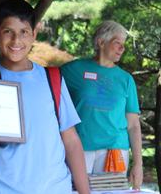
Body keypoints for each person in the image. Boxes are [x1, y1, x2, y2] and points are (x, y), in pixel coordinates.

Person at [0, 0, 90, 194]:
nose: (16, 40)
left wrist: (85, 191)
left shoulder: (53, 79)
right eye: (8, 32)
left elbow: (71, 141)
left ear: (34, 34)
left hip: (55, 189)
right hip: (2, 189)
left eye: (23, 32)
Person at [61, 20, 143, 189]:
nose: (122, 48)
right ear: (101, 42)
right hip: (79, 148)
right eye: (117, 43)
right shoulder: (73, 70)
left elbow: (133, 125)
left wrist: (138, 164)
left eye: (123, 44)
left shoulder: (126, 79)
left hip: (115, 150)